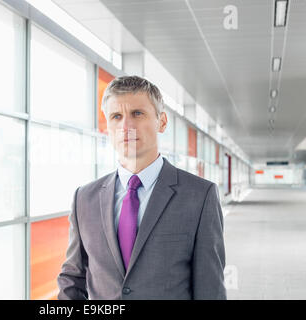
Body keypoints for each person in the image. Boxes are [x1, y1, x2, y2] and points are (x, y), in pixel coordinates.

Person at [57, 75, 226, 300]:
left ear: (162, 122)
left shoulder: (199, 196)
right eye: (116, 116)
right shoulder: (84, 198)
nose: (126, 126)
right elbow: (73, 278)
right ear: (108, 126)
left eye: (137, 113)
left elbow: (210, 288)